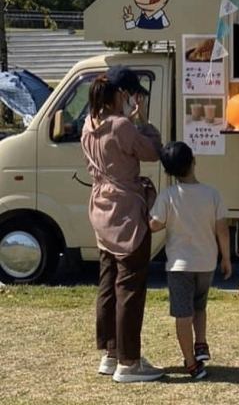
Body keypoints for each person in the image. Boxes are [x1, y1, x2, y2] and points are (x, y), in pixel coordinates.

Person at [81, 66, 164, 383]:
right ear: (123, 95)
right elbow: (153, 151)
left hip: (100, 204)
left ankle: (111, 352)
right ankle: (129, 363)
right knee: (130, 285)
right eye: (133, 94)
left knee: (108, 281)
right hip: (126, 208)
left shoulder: (89, 124)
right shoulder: (121, 126)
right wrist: (140, 120)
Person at [149, 141, 232, 380]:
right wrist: (225, 257)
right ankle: (201, 343)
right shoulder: (212, 194)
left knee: (183, 315)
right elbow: (222, 229)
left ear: (168, 172)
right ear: (194, 160)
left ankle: (190, 362)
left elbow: (154, 225)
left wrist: (146, 207)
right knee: (200, 307)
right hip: (206, 263)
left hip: (179, 267)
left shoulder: (168, 196)